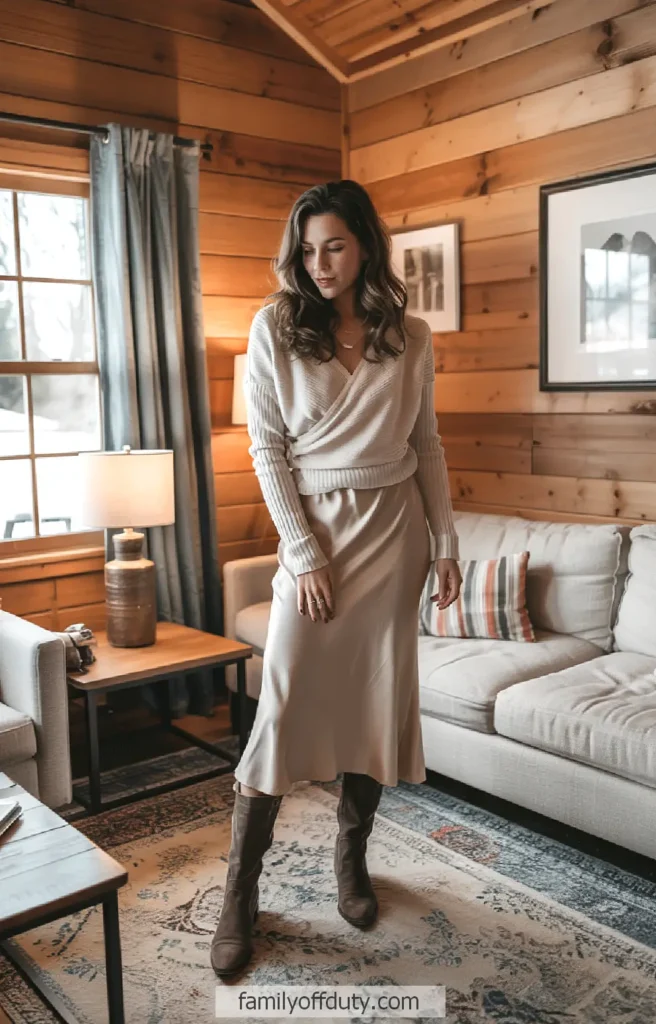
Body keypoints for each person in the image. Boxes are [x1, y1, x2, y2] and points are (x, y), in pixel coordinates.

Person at [210, 179, 462, 977]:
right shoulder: (274, 329)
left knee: (372, 706)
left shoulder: (409, 336)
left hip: (394, 538)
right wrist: (302, 552)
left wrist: (446, 543)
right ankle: (239, 893)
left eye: (336, 246)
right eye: (308, 249)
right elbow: (267, 452)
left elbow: (425, 445)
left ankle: (350, 860)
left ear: (364, 246)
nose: (320, 264)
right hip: (315, 536)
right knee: (280, 711)